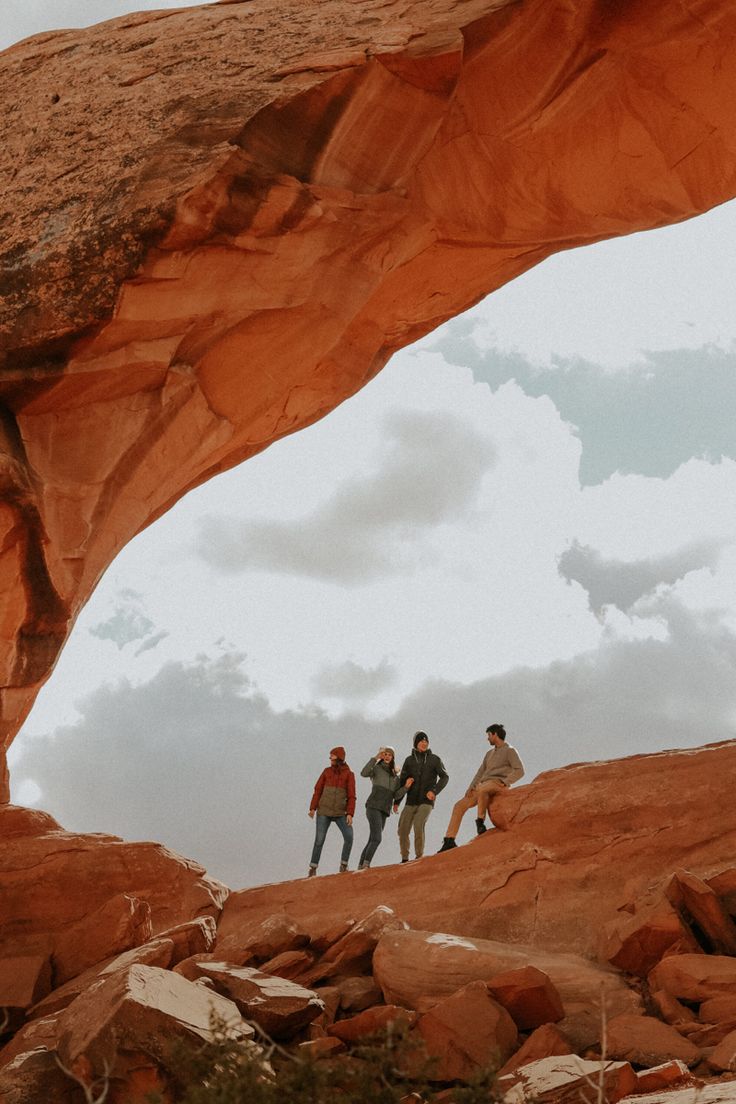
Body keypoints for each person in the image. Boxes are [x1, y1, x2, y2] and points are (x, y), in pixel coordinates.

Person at [437, 723, 524, 852]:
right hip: (482, 786)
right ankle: (449, 840)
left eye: (489, 735)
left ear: (495, 734)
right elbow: (480, 772)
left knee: (484, 789)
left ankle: (480, 822)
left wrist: (505, 781)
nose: (487, 738)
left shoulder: (510, 750)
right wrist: (471, 787)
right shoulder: (489, 753)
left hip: (497, 784)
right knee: (459, 806)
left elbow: (520, 770)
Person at [395, 731, 449, 863]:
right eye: (421, 741)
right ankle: (404, 859)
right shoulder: (409, 760)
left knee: (418, 824)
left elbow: (444, 777)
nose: (424, 743)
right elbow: (402, 782)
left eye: (426, 741)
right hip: (411, 800)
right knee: (402, 829)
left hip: (426, 801)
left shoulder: (434, 759)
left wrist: (434, 791)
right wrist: (397, 802)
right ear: (416, 743)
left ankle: (419, 857)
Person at [308, 746, 356, 876]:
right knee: (319, 840)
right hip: (324, 811)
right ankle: (313, 868)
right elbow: (318, 790)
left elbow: (352, 796)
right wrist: (313, 807)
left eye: (332, 756)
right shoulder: (326, 771)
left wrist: (350, 814)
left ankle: (344, 865)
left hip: (340, 813)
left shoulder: (349, 774)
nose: (330, 758)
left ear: (339, 758)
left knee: (349, 836)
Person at [356, 746, 404, 870]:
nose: (387, 756)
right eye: (385, 754)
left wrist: (407, 787)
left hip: (384, 810)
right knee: (377, 838)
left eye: (390, 755)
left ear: (393, 757)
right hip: (373, 806)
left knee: (373, 838)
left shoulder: (395, 777)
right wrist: (376, 757)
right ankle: (366, 864)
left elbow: (396, 795)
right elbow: (363, 773)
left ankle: (361, 865)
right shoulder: (377, 768)